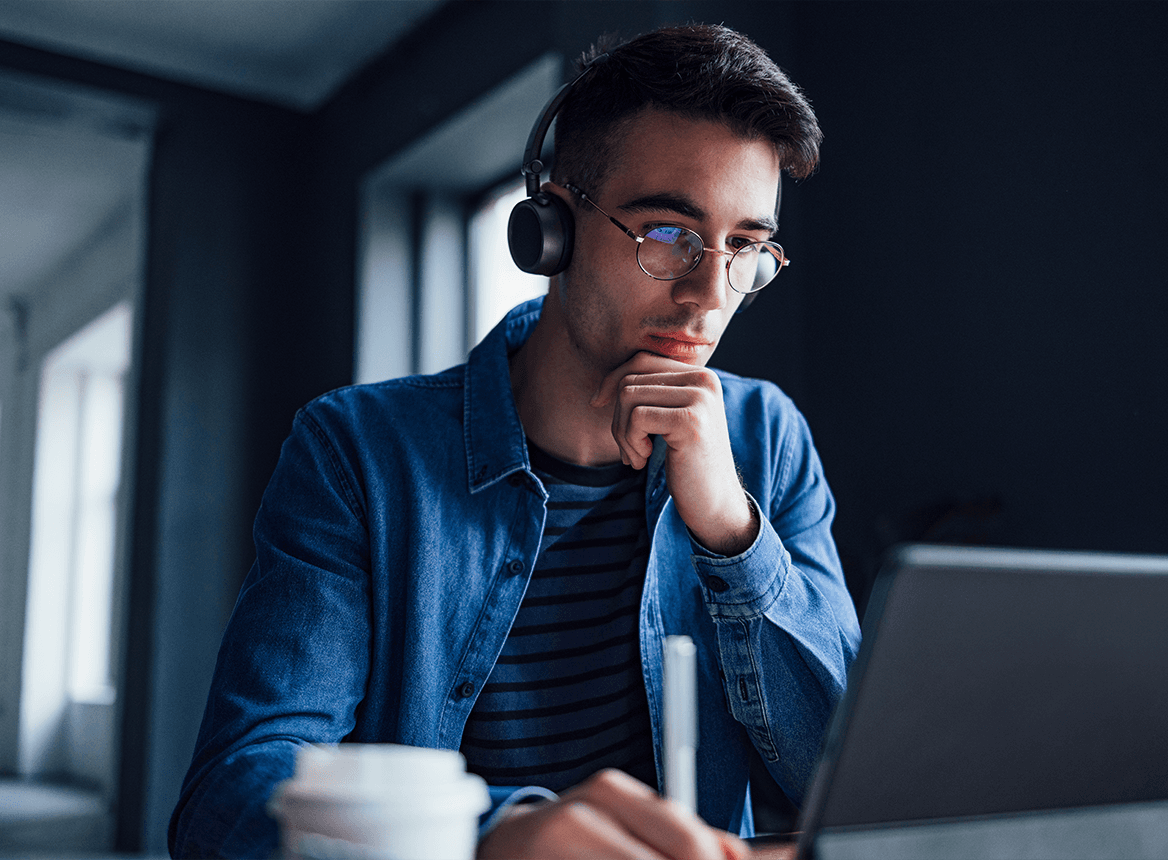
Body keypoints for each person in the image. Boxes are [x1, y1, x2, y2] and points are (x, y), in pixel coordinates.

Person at [170, 23, 860, 860]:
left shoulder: (768, 438)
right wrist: (487, 839)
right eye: (669, 236)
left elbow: (842, 775)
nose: (710, 294)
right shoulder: (356, 451)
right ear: (550, 230)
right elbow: (232, 795)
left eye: (745, 248)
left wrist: (733, 535)